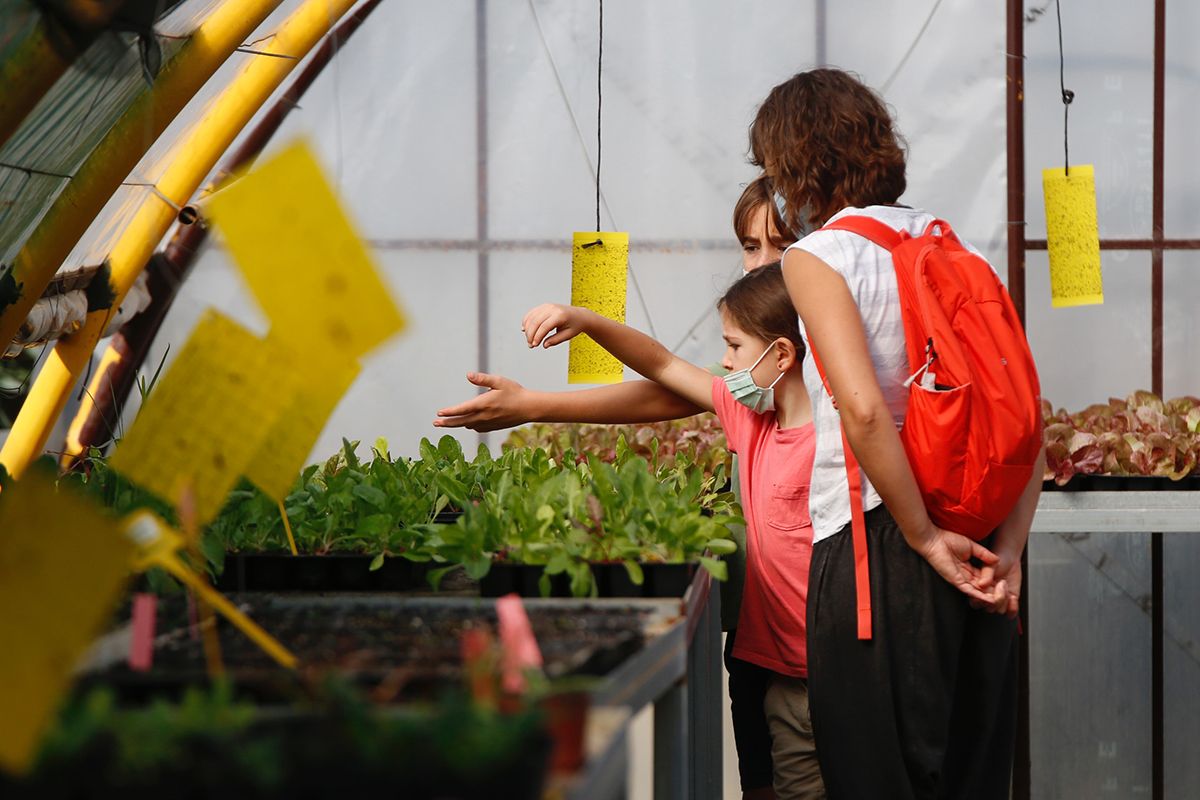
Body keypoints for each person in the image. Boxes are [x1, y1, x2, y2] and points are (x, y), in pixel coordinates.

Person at [436, 177, 798, 799]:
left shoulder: (845, 386)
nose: (762, 263)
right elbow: (668, 378)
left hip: (827, 646)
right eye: (749, 246)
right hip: (763, 634)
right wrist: (538, 395)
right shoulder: (752, 389)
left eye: (782, 243)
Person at [750, 68, 1045, 800]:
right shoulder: (956, 247)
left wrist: (921, 539)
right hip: (978, 533)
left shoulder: (820, 256)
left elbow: (864, 413)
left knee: (873, 776)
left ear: (796, 164)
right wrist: (1008, 554)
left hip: (878, 536)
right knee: (971, 775)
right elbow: (1028, 414)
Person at [520, 265, 824, 798]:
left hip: (835, 671)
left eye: (733, 345)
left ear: (781, 355)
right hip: (779, 675)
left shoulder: (835, 444)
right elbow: (661, 363)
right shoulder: (749, 421)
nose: (725, 362)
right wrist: (587, 319)